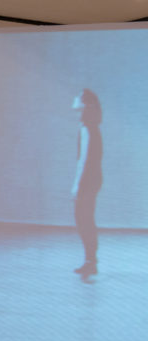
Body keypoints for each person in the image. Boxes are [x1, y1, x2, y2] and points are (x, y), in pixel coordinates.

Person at [71, 89, 103, 277]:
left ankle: (91, 261)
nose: (74, 98)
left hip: (88, 180)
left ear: (84, 102)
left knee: (84, 220)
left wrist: (76, 184)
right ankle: (90, 261)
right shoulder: (91, 125)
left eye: (77, 96)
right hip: (92, 179)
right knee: (85, 219)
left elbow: (83, 159)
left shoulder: (86, 127)